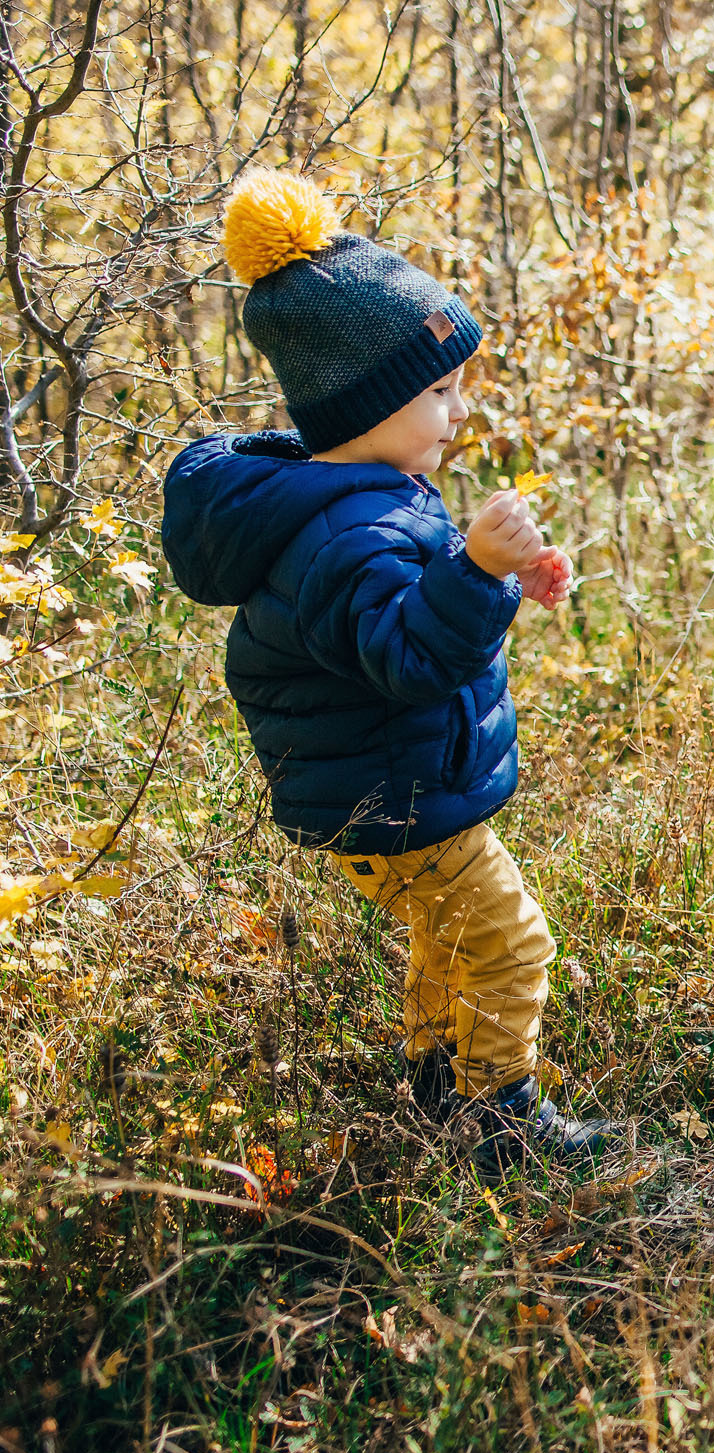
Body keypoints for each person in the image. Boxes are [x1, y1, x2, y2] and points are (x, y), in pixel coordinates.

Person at [162, 170, 616, 1168]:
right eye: (439, 394)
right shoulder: (347, 530)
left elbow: (416, 614)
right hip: (396, 796)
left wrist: (497, 580)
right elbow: (409, 656)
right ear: (364, 406)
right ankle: (500, 1129)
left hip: (393, 787)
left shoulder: (364, 495)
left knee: (448, 948)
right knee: (509, 945)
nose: (458, 414)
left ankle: (433, 1096)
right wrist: (476, 569)